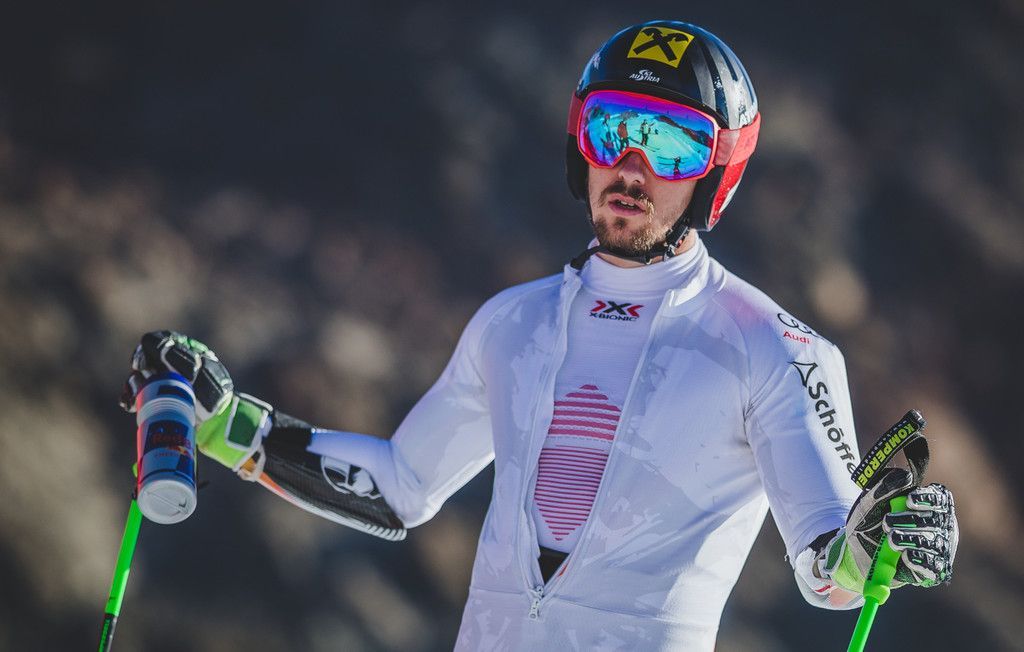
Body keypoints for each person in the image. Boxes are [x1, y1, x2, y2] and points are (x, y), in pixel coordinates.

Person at [120, 20, 958, 651]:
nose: (631, 166)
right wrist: (227, 424)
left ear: (718, 173)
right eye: (611, 129)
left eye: (670, 144)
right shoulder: (512, 323)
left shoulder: (776, 348)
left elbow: (829, 570)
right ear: (578, 144)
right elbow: (401, 486)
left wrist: (877, 545)